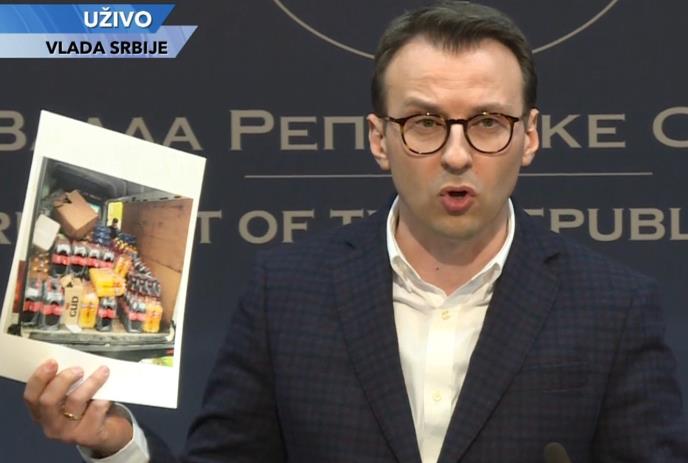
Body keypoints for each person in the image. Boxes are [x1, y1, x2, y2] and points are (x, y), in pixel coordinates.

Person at [23, 2, 688, 462]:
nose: (457, 154)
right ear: (378, 139)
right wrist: (116, 442)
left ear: (531, 137)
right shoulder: (286, 294)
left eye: (488, 122)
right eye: (425, 123)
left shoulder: (615, 307)